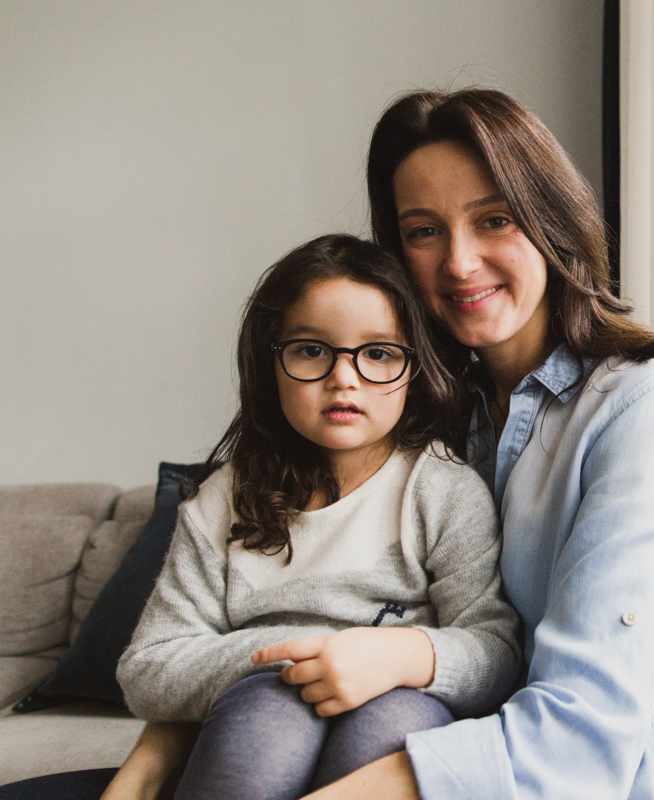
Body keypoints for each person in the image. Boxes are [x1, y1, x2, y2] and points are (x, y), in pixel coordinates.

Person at [292, 88, 654, 799]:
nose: (459, 263)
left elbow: (579, 741)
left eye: (495, 219)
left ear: (552, 221)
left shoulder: (642, 408)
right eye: (423, 232)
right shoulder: (426, 418)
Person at [113, 234, 521, 799]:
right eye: (311, 350)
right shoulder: (223, 500)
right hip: (256, 714)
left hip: (396, 711)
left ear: (414, 368)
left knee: (396, 716)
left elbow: (497, 653)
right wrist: (298, 656)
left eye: (378, 353)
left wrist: (393, 656)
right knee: (270, 708)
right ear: (270, 361)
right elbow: (149, 669)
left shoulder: (442, 491)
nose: (344, 378)